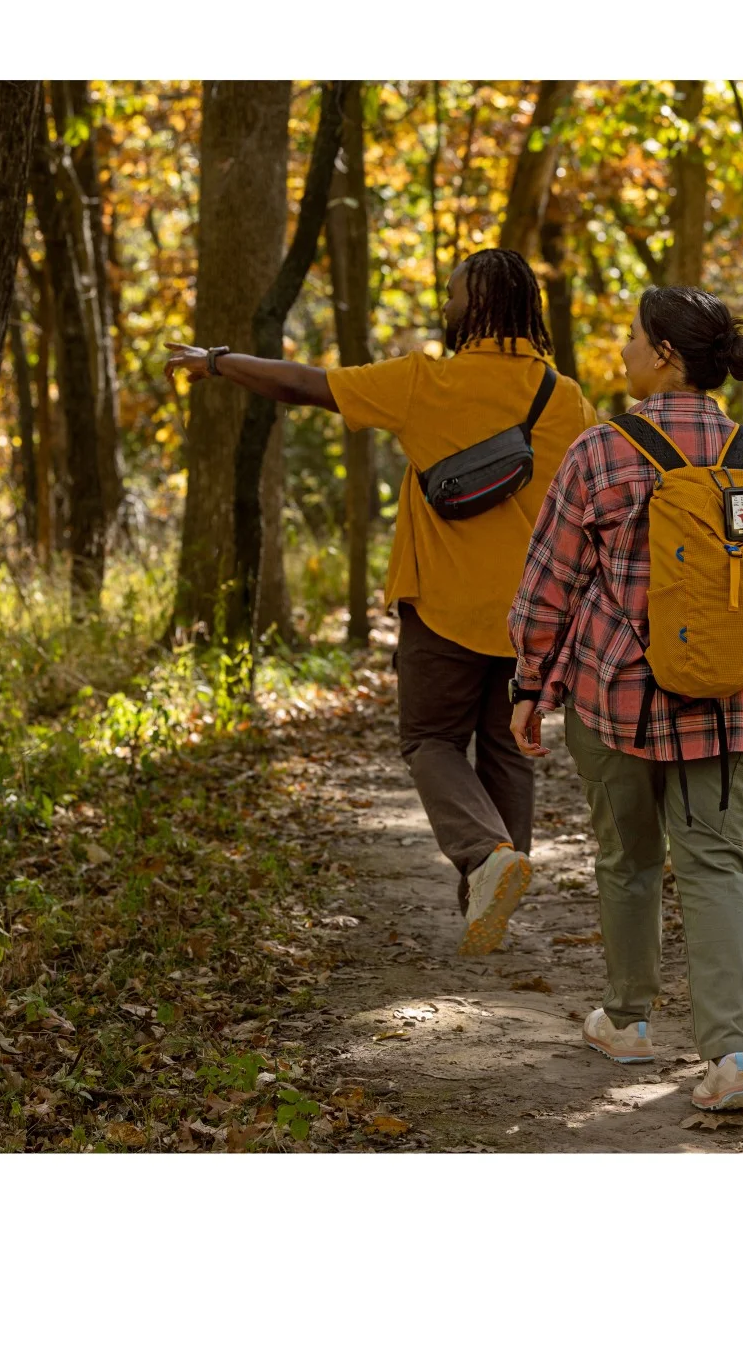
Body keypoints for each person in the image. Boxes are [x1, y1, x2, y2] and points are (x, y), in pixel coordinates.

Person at [167, 249, 597, 954]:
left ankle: (487, 859)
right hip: (531, 615)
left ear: (478, 307)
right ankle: (489, 893)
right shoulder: (566, 398)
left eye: (454, 294)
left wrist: (218, 361)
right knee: (507, 750)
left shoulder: (426, 381)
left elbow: (304, 385)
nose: (445, 305)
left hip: (443, 605)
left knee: (429, 740)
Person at [507, 286, 743, 1111]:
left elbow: (549, 584)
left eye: (634, 337)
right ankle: (731, 1057)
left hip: (616, 699)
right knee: (715, 865)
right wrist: (742, 667)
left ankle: (629, 1021)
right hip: (725, 704)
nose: (624, 349)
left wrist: (530, 683)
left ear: (666, 352)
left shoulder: (601, 451)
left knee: (628, 858)